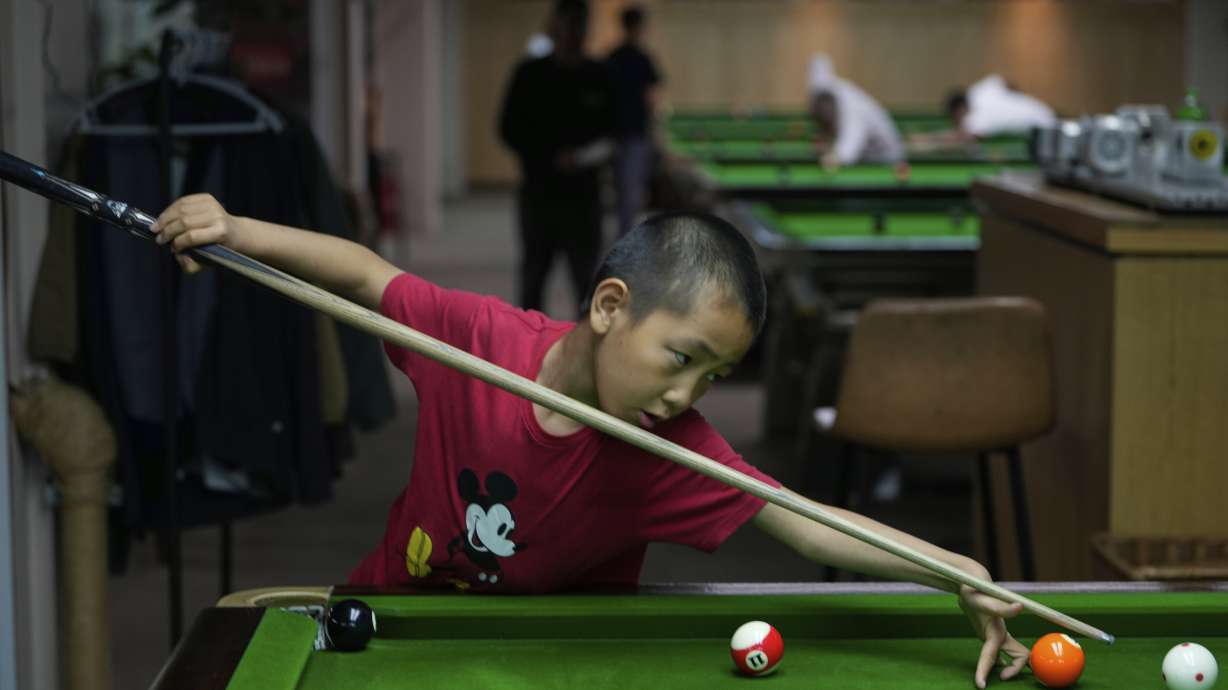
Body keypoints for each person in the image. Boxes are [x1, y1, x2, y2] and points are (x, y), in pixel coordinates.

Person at [152, 196, 1031, 688]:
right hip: (389, 621)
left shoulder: (669, 450)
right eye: (681, 358)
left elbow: (806, 521)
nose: (687, 395)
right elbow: (367, 273)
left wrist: (962, 571)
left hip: (560, 661)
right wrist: (237, 230)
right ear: (611, 308)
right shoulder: (477, 339)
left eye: (715, 376)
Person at [499, 0, 616, 314]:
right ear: (555, 26)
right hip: (539, 195)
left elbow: (615, 133)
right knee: (533, 279)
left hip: (584, 198)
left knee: (587, 284)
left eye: (579, 25)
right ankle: (525, 357)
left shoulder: (599, 75)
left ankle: (585, 355)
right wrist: (547, 157)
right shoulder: (530, 74)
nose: (573, 33)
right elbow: (507, 128)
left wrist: (581, 158)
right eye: (567, 25)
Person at [605, 4, 663, 238]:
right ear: (639, 27)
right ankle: (627, 237)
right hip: (634, 134)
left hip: (614, 134)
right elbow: (651, 98)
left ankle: (626, 233)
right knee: (631, 192)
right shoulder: (641, 58)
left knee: (623, 190)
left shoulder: (612, 57)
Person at [807, 54, 904, 171]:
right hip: (865, 158)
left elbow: (848, 148)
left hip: (887, 162)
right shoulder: (832, 101)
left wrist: (833, 158)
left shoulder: (850, 104)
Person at [923, 75, 1056, 147]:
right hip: (1044, 111)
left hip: (1046, 129)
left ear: (959, 111)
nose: (956, 122)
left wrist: (929, 139)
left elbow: (962, 138)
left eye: (954, 118)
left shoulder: (974, 119)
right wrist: (1016, 102)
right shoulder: (979, 90)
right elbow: (1006, 81)